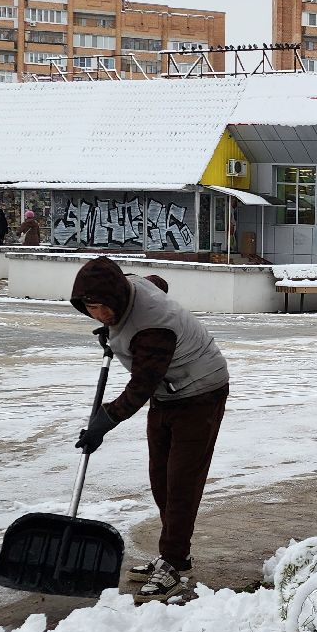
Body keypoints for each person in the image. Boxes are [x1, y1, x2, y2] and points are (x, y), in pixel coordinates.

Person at [71, 256, 230, 598]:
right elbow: (157, 284)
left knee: (181, 481)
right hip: (168, 394)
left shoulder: (153, 328)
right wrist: (113, 331)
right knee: (160, 477)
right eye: (90, 308)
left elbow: (141, 385)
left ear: (117, 299)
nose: (97, 314)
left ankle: (172, 563)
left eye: (101, 308)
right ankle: (177, 554)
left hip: (201, 391)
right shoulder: (130, 286)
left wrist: (106, 419)